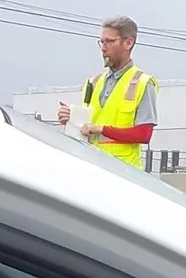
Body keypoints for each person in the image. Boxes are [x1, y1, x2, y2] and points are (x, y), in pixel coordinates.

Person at [55, 16, 159, 169]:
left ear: (128, 43)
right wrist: (72, 119)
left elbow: (143, 134)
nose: (103, 48)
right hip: (92, 168)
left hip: (124, 171)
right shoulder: (93, 82)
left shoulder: (143, 83)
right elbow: (88, 126)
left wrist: (102, 129)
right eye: (102, 42)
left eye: (109, 41)